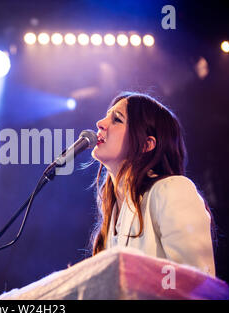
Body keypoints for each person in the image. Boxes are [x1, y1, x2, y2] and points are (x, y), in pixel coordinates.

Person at [90, 92, 216, 277]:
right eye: (107, 115)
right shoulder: (114, 212)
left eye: (117, 119)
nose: (100, 123)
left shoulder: (172, 189)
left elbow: (196, 284)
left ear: (146, 145)